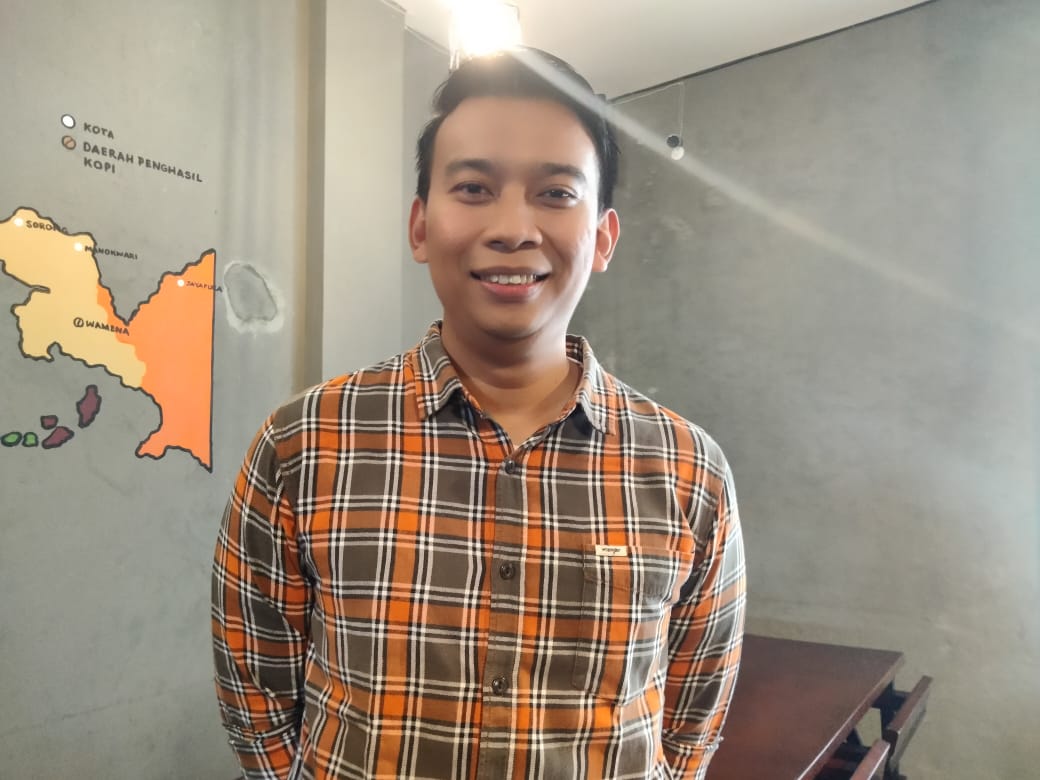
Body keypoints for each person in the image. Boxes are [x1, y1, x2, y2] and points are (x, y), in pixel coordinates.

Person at [212, 47, 745, 780]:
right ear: (420, 225)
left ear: (602, 239)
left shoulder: (689, 471)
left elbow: (691, 722)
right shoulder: (304, 444)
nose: (513, 227)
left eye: (555, 193)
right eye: (473, 188)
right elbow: (256, 692)